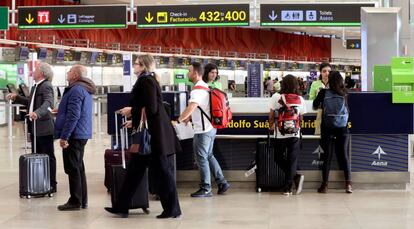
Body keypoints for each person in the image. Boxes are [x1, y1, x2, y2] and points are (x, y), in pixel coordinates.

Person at [105, 54, 182, 219]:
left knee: (163, 173)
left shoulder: (146, 81)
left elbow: (151, 108)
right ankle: (121, 206)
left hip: (155, 138)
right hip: (152, 135)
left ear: (143, 66)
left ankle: (172, 209)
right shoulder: (149, 80)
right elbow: (149, 109)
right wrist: (134, 120)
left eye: (137, 64)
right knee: (135, 171)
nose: (134, 66)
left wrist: (130, 111)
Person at [178, 62, 230, 198]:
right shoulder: (206, 87)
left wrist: (180, 119)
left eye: (189, 71)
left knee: (201, 158)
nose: (187, 73)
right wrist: (189, 118)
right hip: (211, 127)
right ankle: (222, 182)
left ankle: (206, 188)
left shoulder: (197, 90)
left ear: (195, 73)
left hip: (203, 130)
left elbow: (192, 106)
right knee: (209, 155)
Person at [7, 62, 57, 193]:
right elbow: (31, 102)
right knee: (37, 155)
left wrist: (37, 113)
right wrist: (16, 97)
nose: (33, 71)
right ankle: (40, 181)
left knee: (48, 155)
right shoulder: (36, 86)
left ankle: (52, 183)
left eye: (35, 70)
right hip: (35, 127)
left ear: (41, 73)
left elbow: (49, 103)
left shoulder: (46, 86)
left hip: (44, 127)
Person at [55, 65, 95, 211]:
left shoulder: (76, 90)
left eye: (70, 71)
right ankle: (82, 200)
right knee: (78, 167)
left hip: (74, 134)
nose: (67, 72)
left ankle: (75, 201)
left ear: (76, 75)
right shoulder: (84, 88)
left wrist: (65, 136)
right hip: (81, 133)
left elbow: (74, 115)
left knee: (72, 168)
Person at [313, 71, 352, 194]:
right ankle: (348, 184)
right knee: (344, 156)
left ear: (329, 80)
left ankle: (324, 185)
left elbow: (314, 105)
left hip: (327, 127)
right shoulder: (345, 93)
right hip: (342, 127)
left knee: (327, 157)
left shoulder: (324, 92)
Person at [268, 75, 306, 195]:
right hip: (295, 133)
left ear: (283, 84)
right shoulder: (300, 99)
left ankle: (293, 180)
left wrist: (271, 126)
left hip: (280, 134)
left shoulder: (276, 96)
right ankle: (289, 186)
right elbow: (301, 117)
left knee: (278, 158)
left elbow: (271, 114)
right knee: (292, 160)